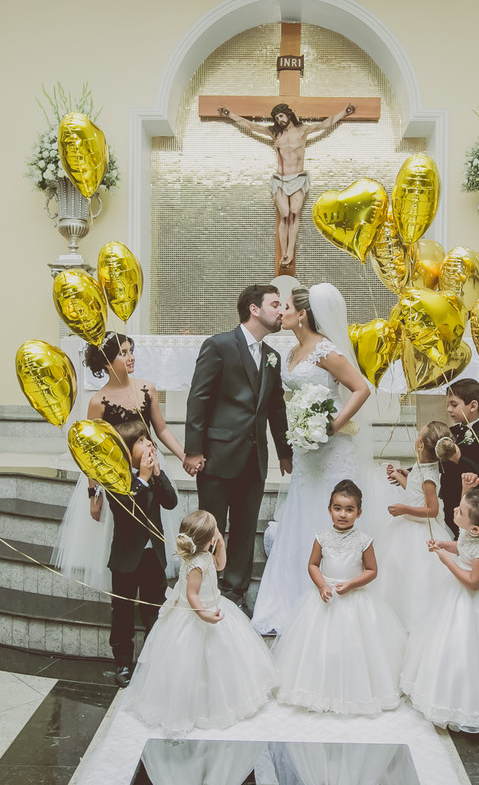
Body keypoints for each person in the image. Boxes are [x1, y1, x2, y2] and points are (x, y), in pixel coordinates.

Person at [250, 283, 372, 635]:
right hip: (306, 450)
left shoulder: (324, 350)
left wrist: (333, 425)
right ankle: (292, 600)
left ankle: (336, 593)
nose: (281, 312)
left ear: (302, 314)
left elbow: (361, 388)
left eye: (286, 306)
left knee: (329, 508)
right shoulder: (291, 351)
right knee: (302, 511)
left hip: (332, 448)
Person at [185, 285, 293, 610]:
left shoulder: (272, 357)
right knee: (211, 529)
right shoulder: (219, 345)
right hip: (217, 457)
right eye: (276, 304)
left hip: (254, 459)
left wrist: (284, 452)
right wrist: (193, 450)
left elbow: (275, 408)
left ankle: (235, 596)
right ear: (254, 309)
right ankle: (205, 591)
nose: (281, 311)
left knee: (245, 532)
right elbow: (199, 398)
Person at [122, 510, 278, 734]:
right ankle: (194, 706)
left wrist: (221, 546)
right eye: (216, 529)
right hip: (195, 613)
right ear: (208, 538)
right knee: (191, 663)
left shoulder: (204, 556)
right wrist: (203, 614)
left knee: (221, 658)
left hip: (215, 603)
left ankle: (222, 697)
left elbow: (220, 566)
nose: (218, 531)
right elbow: (192, 594)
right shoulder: (195, 565)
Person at [52, 333, 186, 588]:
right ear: (106, 362)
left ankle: (150, 583)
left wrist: (183, 455)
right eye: (123, 353)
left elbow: (161, 429)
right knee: (123, 530)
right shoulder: (98, 402)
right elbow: (91, 452)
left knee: (152, 521)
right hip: (115, 475)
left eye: (130, 351)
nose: (130, 357)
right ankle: (124, 580)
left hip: (150, 464)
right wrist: (94, 493)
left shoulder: (147, 388)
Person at [400, 489, 479, 742]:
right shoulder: (471, 534)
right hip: (453, 598)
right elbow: (463, 546)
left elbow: (473, 582)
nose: (455, 511)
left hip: (476, 607)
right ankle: (441, 692)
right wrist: (445, 545)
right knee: (446, 647)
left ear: (477, 529)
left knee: (469, 653)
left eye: (460, 511)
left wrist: (446, 560)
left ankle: (468, 706)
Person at [271, 480, 406, 715]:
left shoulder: (364, 541)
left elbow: (372, 571)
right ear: (329, 509)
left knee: (355, 646)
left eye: (349, 509)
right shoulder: (322, 537)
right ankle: (316, 689)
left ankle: (355, 690)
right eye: (337, 508)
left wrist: (352, 583)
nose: (342, 514)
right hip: (326, 597)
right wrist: (322, 584)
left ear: (359, 513)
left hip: (355, 599)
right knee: (320, 646)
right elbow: (313, 564)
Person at [217, 102, 356, 267]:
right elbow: (251, 126)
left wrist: (344, 113)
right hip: (281, 179)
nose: (279, 120)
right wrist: (229, 114)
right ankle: (283, 253)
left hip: (298, 178)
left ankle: (290, 252)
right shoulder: (275, 133)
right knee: (284, 214)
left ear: (289, 115)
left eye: (281, 116)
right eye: (276, 118)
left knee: (294, 213)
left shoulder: (303, 131)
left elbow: (324, 124)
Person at [106, 420, 178, 688]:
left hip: (152, 556)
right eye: (141, 441)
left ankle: (152, 659)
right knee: (122, 611)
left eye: (149, 439)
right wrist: (144, 479)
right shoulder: (115, 477)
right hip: (126, 557)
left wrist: (157, 476)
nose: (149, 444)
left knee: (154, 608)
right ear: (126, 450)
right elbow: (127, 513)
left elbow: (171, 502)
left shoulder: (154, 473)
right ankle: (123, 662)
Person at [371, 421, 454, 629]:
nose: (416, 437)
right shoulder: (422, 466)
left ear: (421, 446)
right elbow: (416, 494)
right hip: (406, 526)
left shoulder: (428, 476)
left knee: (415, 574)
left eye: (419, 435)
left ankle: (415, 617)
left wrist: (404, 509)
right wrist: (401, 478)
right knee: (397, 570)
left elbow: (432, 510)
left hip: (419, 530)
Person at [440, 378, 479, 538]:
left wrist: (459, 459)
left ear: (473, 405)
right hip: (445, 495)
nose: (448, 409)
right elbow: (437, 461)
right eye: (448, 404)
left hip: (470, 504)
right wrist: (410, 472)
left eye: (454, 405)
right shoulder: (450, 432)